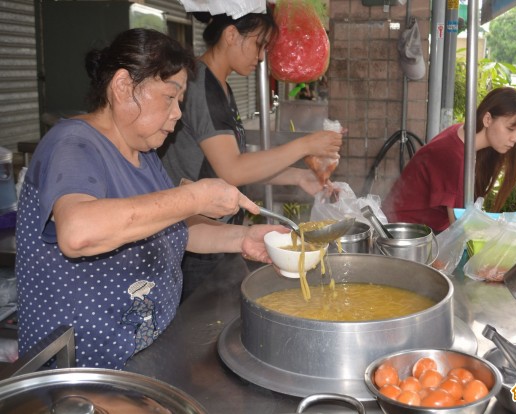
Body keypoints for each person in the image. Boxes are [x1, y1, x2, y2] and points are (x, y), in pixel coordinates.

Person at [15, 28, 286, 369]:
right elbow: (78, 232)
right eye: (169, 98)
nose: (177, 114)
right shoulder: (73, 144)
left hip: (144, 358)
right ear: (123, 87)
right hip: (83, 374)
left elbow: (175, 227)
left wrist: (244, 238)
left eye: (180, 102)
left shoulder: (143, 154)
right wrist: (193, 196)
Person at [159, 10, 343, 299]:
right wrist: (306, 145)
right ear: (231, 34)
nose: (260, 57)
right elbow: (232, 169)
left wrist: (298, 177)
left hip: (219, 234)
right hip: (196, 241)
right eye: (259, 45)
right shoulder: (199, 86)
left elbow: (239, 160)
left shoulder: (220, 87)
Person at [382, 87, 516, 233]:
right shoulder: (454, 156)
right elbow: (460, 227)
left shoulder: (461, 133)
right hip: (405, 234)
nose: (515, 139)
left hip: (423, 230)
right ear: (488, 119)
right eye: (510, 129)